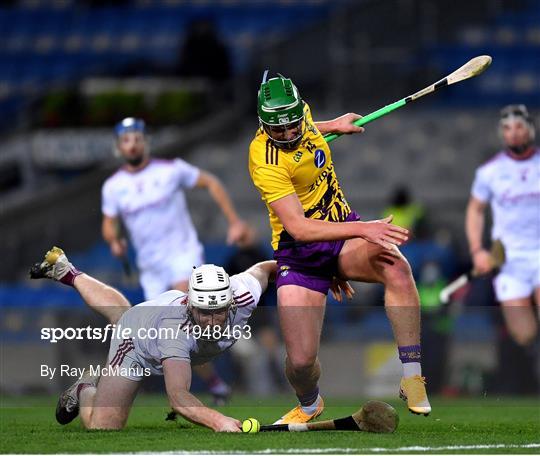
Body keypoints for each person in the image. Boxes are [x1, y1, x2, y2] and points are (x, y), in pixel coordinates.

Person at [248, 72, 431, 424]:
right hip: (300, 253)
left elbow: (305, 126)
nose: (287, 134)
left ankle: (412, 376)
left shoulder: (301, 117)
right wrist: (365, 228)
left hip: (340, 229)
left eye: (293, 125)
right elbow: (299, 229)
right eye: (278, 130)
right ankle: (309, 403)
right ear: (263, 125)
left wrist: (333, 124)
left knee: (397, 267)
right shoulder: (265, 160)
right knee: (300, 363)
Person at [30, 246, 277, 432]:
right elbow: (178, 396)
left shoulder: (244, 292)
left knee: (124, 314)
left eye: (219, 311)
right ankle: (85, 387)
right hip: (135, 343)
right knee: (102, 426)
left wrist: (304, 271)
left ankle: (67, 271)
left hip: (152, 313)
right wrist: (217, 420)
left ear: (231, 301)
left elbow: (267, 268)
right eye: (204, 312)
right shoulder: (176, 330)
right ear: (191, 306)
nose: (212, 321)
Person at [102, 117, 250, 403]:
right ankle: (214, 384)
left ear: (146, 142)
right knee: (169, 330)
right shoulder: (113, 186)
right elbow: (109, 223)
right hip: (150, 266)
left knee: (189, 318)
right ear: (119, 147)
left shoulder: (171, 170)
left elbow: (211, 183)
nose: (132, 145)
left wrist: (233, 221)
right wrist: (113, 240)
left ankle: (190, 391)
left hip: (182, 254)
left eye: (136, 138)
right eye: (125, 140)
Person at [465, 105, 539, 378]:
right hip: (508, 258)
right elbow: (475, 210)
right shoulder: (490, 172)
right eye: (508, 128)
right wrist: (477, 251)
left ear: (530, 129)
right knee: (524, 334)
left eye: (519, 127)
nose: (514, 133)